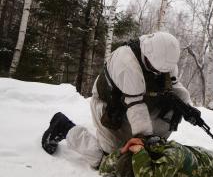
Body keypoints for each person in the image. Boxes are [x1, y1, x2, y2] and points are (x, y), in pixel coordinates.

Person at [41, 32, 196, 168]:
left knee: (171, 110)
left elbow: (174, 86)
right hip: (109, 107)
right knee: (110, 160)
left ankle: (148, 143)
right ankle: (64, 127)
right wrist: (144, 141)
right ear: (148, 54)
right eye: (156, 70)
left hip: (132, 107)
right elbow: (136, 107)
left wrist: (188, 107)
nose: (158, 73)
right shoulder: (127, 63)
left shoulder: (164, 62)